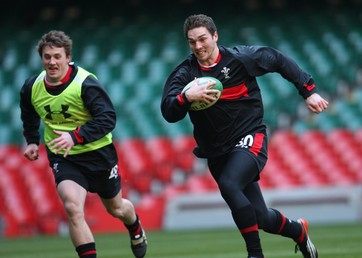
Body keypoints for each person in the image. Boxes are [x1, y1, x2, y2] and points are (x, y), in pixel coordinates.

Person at [161, 14, 329, 258]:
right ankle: (298, 230)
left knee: (230, 184)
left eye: (202, 39)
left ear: (215, 36)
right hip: (217, 150)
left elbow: (277, 59)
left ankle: (255, 254)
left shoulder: (241, 59)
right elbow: (168, 111)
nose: (198, 46)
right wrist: (186, 98)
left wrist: (308, 91)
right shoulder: (185, 74)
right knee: (261, 217)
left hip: (250, 135)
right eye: (191, 42)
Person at [19, 30, 147, 258]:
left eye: (57, 56)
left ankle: (135, 226)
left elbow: (108, 119)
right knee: (73, 207)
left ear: (68, 57)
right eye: (47, 57)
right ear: (41, 58)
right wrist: (31, 141)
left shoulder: (85, 83)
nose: (52, 62)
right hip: (64, 156)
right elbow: (29, 113)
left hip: (98, 153)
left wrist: (75, 136)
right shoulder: (32, 86)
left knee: (116, 209)